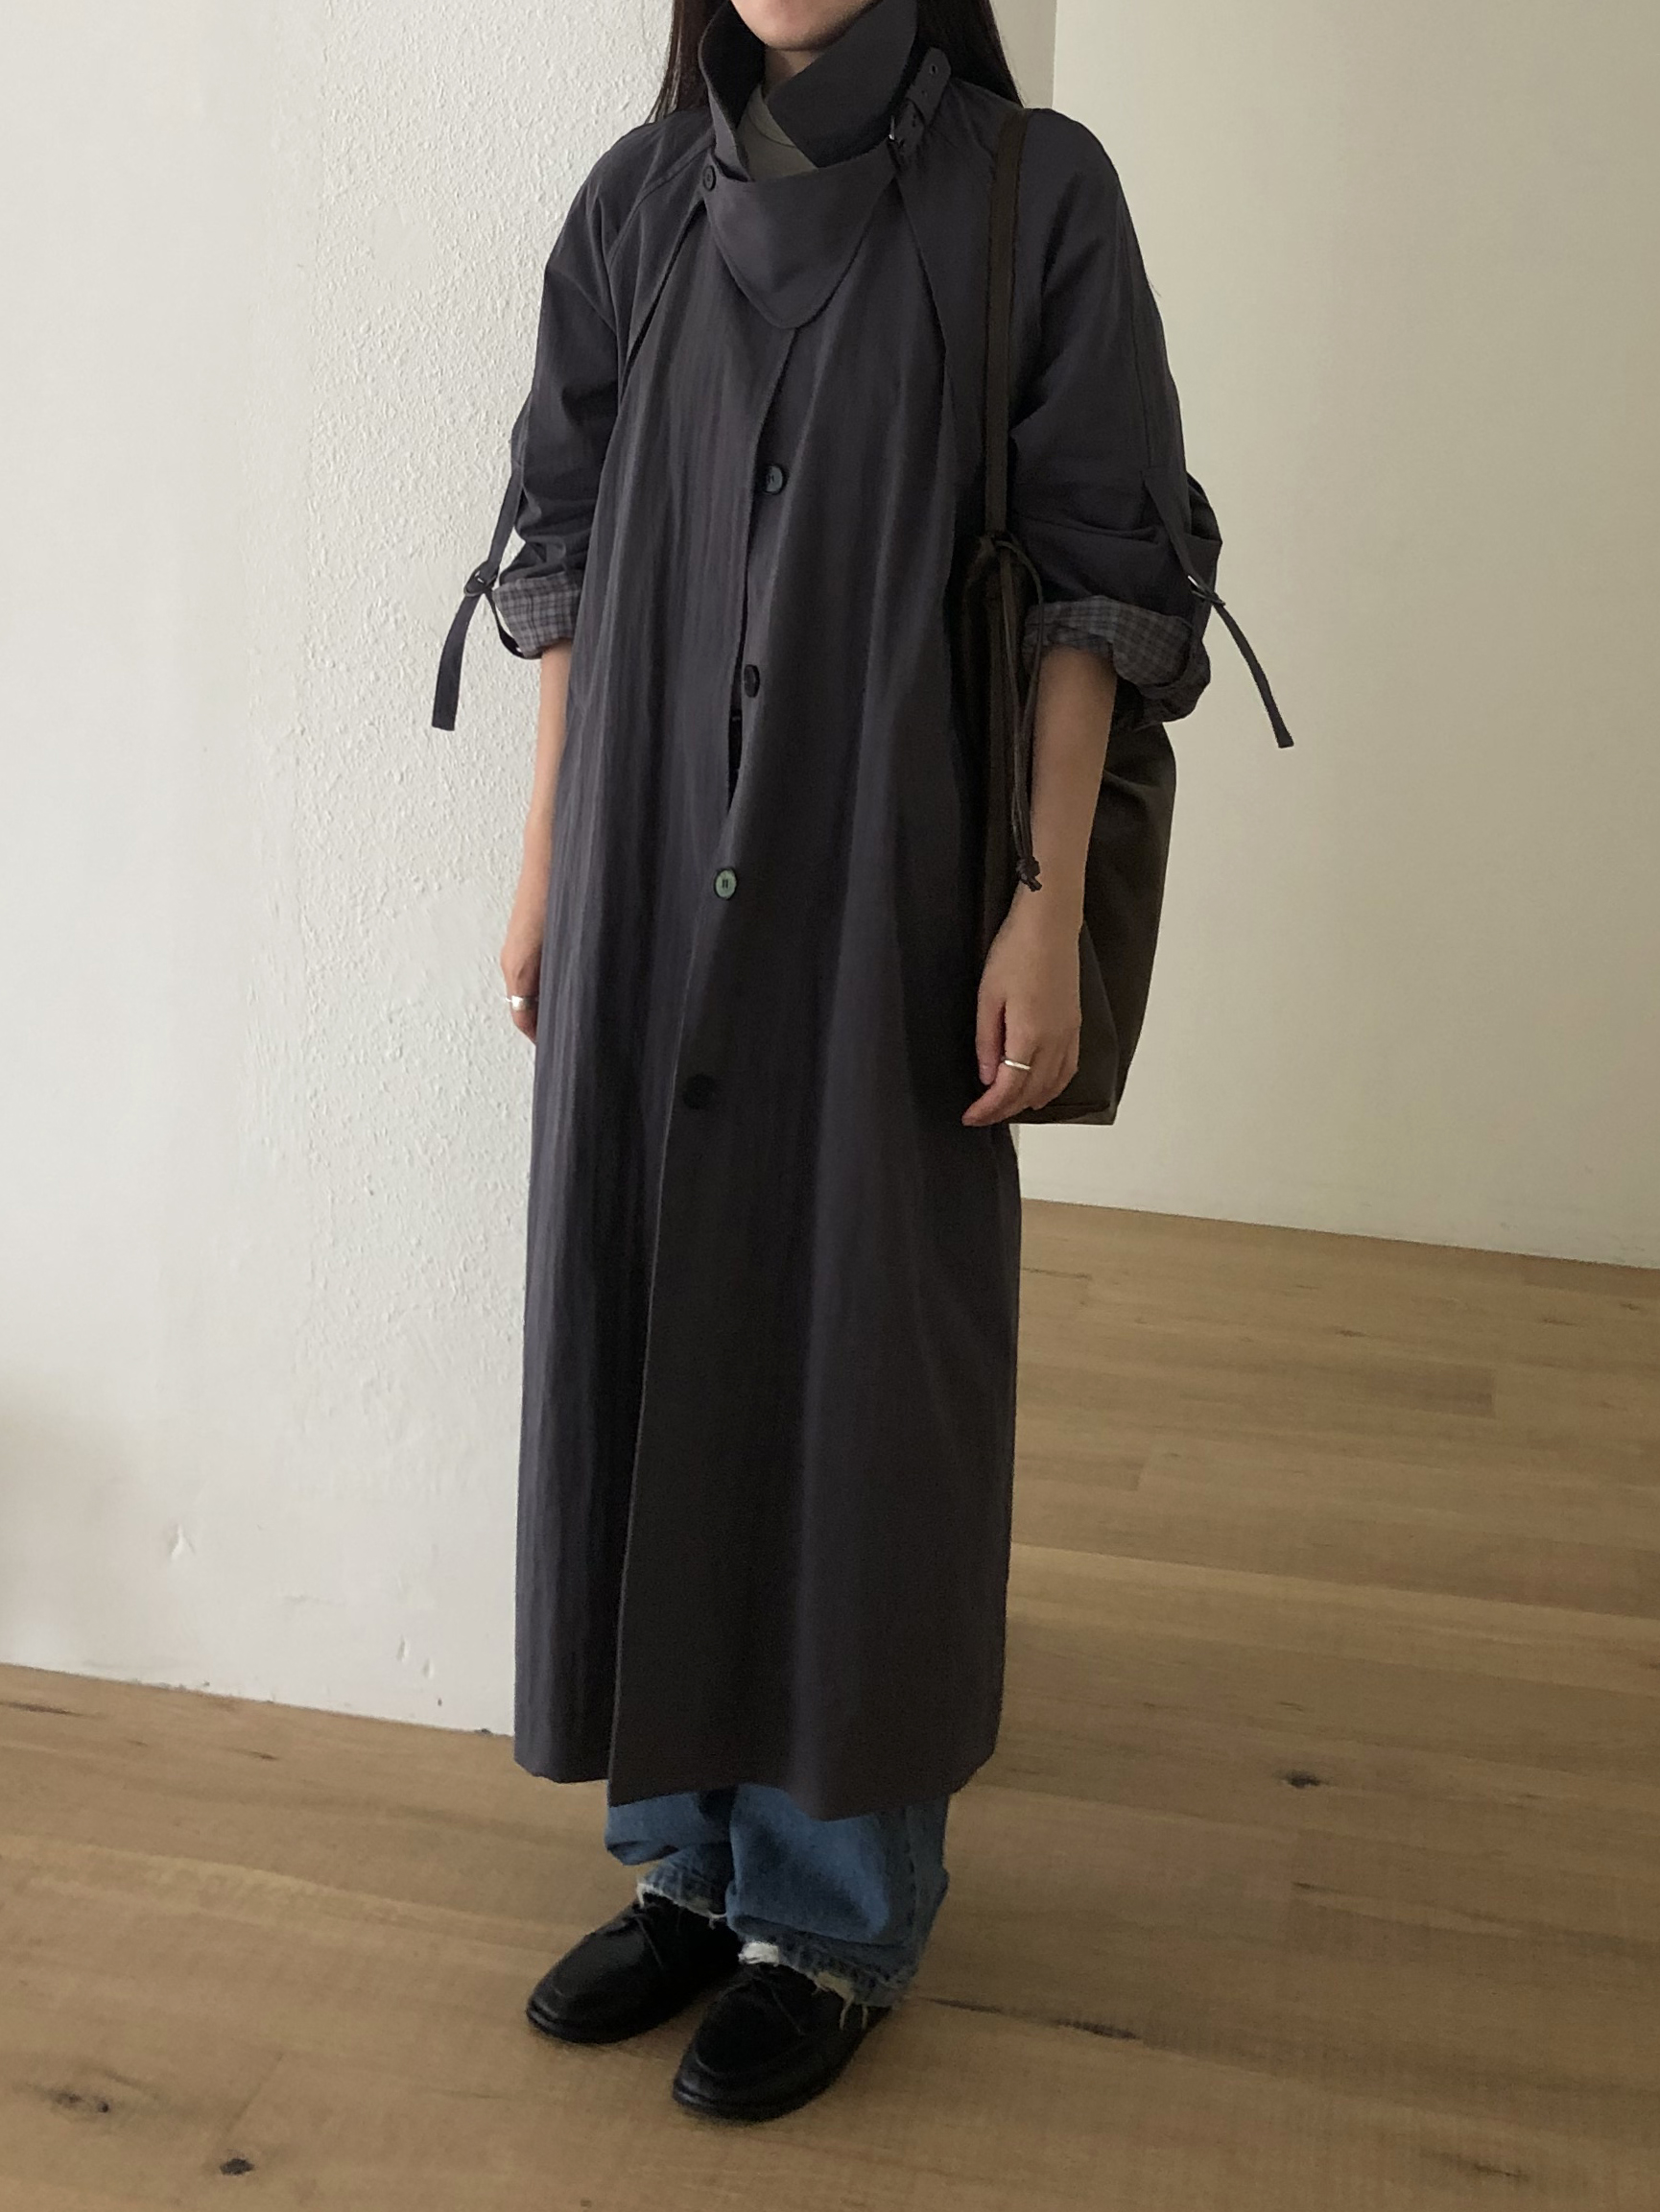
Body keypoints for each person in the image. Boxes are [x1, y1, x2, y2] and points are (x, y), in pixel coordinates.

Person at [445, 0, 1221, 2125]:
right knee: (655, 1316)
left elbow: (1099, 571)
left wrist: (1039, 900)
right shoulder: (634, 206)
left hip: (887, 876)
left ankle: (836, 1912)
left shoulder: (1032, 199)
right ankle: (687, 1867)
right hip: (642, 872)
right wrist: (547, 864)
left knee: (863, 1365)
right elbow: (560, 549)